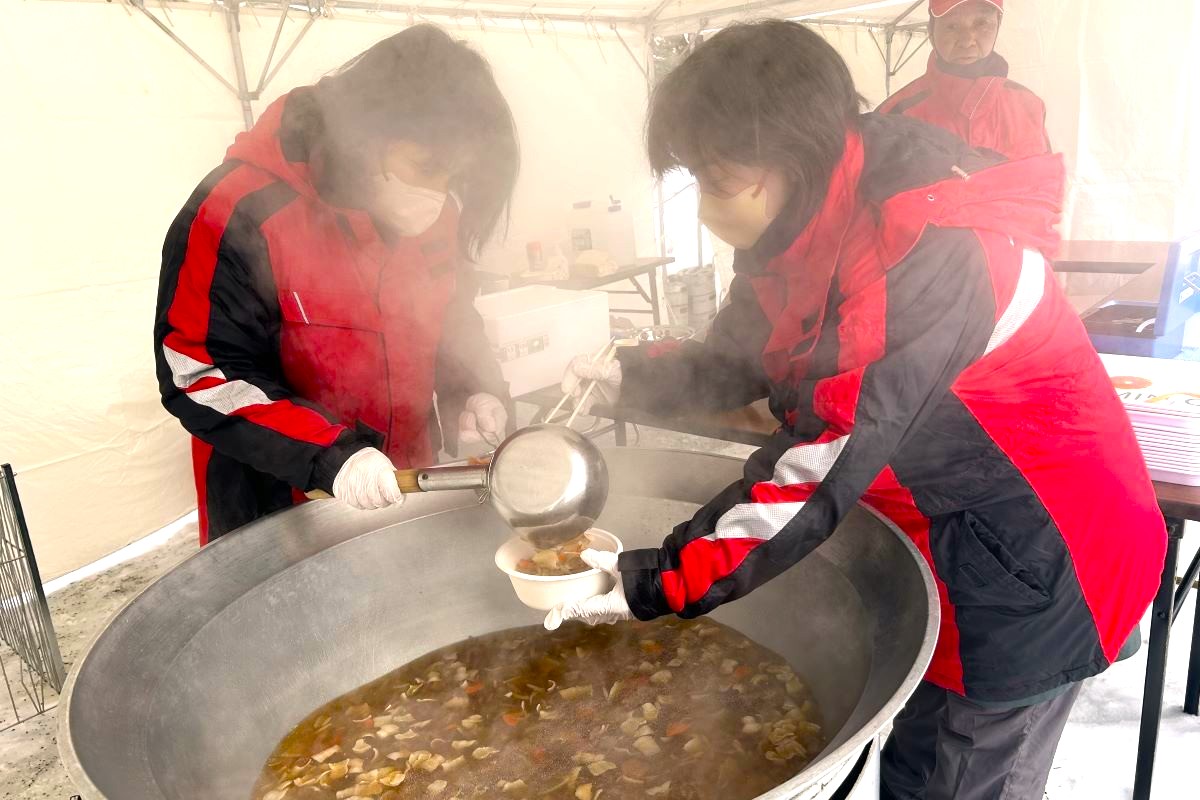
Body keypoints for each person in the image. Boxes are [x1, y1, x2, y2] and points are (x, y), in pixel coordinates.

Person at [551, 20, 1164, 800]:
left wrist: (653, 580)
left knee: (966, 778)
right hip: (947, 537)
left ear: (792, 158)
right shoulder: (805, 229)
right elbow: (738, 355)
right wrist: (626, 377)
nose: (704, 206)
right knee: (917, 768)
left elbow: (818, 465)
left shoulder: (926, 248)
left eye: (716, 178)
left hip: (1040, 558)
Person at [154, 25, 518, 544]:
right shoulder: (236, 210)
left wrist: (476, 390)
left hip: (407, 489)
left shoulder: (436, 216)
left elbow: (451, 320)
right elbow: (198, 371)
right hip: (279, 512)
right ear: (368, 134)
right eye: (427, 166)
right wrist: (330, 457)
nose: (438, 194)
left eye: (453, 175)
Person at [879, 0, 1052, 161]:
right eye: (952, 26)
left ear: (998, 25)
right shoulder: (895, 115)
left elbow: (1048, 179)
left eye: (982, 23)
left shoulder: (1029, 106)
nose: (967, 41)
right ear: (931, 32)